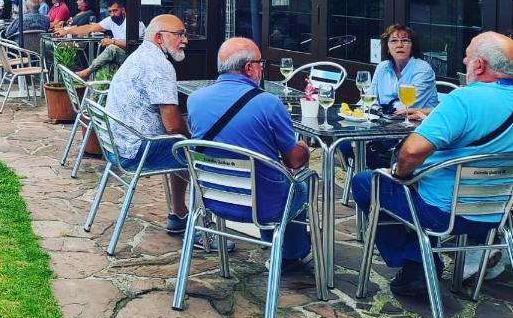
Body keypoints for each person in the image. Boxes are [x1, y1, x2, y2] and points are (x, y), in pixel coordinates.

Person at [352, 31, 513, 297]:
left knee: (366, 183)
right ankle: (419, 262)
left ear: (480, 65)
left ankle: (417, 264)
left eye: (468, 56)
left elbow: (412, 153)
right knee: (419, 189)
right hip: (498, 214)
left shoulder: (465, 99)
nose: (463, 61)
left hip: (442, 214)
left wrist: (400, 175)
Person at [187, 37, 313, 271]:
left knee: (269, 177)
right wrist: (304, 147)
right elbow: (294, 160)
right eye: (260, 62)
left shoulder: (194, 100)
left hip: (212, 199)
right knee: (300, 185)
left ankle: (282, 245)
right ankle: (292, 253)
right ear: (249, 68)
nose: (262, 67)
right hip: (263, 206)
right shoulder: (269, 103)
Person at [104, 14, 190, 231]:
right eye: (179, 34)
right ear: (160, 38)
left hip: (115, 146)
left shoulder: (140, 55)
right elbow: (172, 126)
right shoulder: (159, 66)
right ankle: (198, 227)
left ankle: (178, 213)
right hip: (136, 151)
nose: (185, 40)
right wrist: (195, 138)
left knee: (184, 142)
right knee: (198, 151)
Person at [339, 23, 439, 169]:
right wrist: (359, 112)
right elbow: (368, 98)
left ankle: (381, 178)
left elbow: (405, 107)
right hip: (383, 127)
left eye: (405, 40)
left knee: (365, 148)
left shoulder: (422, 69)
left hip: (413, 132)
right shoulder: (382, 67)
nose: (400, 45)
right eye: (394, 41)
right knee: (345, 143)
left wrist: (378, 110)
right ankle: (372, 178)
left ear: (412, 46)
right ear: (387, 47)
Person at [55, 0, 144, 80]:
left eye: (115, 11)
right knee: (105, 65)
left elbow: (134, 45)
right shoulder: (111, 20)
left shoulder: (134, 22)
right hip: (121, 56)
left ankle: (87, 72)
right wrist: (66, 31)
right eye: (110, 11)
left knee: (111, 48)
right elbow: (89, 28)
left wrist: (112, 41)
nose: (112, 14)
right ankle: (96, 93)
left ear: (123, 10)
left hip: (135, 57)